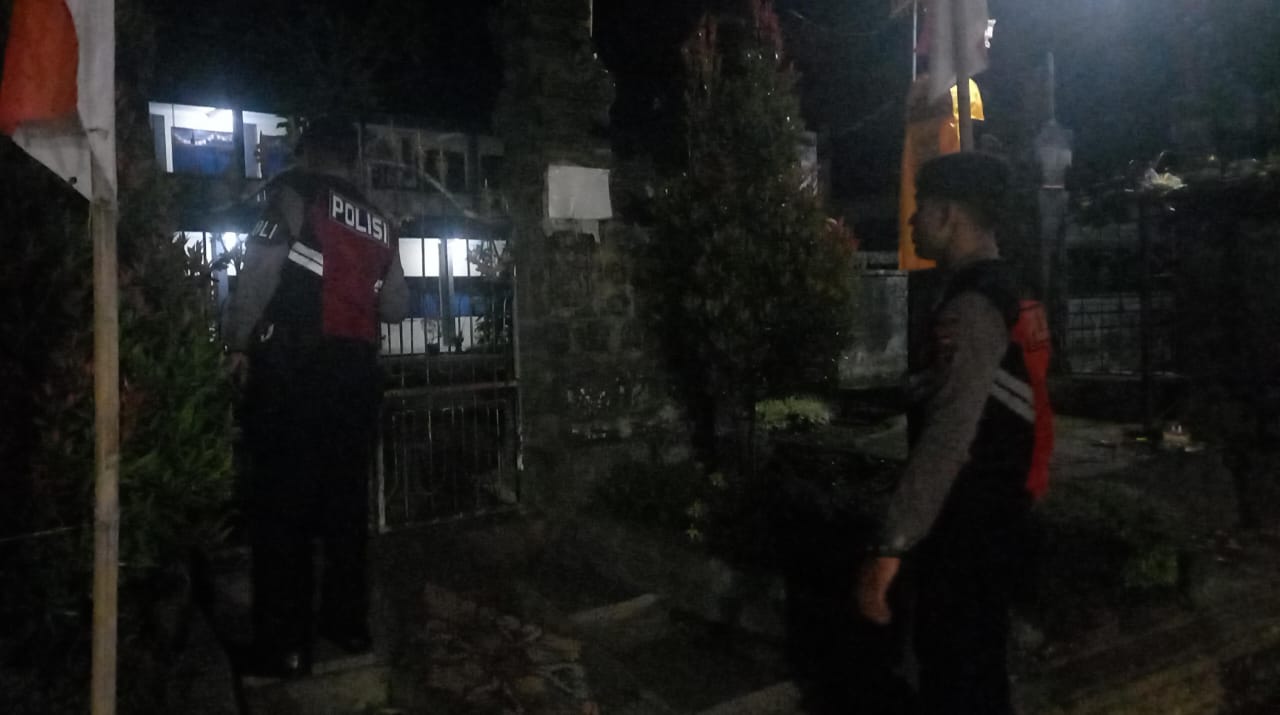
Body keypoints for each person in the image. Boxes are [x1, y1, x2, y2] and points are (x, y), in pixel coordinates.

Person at [223, 116, 408, 678]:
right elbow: (397, 307)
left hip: (294, 375)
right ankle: (347, 626)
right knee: (346, 509)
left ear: (308, 154)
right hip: (356, 379)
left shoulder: (292, 196)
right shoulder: (380, 222)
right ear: (352, 160)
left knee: (283, 510)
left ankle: (285, 646)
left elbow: (258, 274)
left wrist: (237, 343)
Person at [855, 152, 1036, 714]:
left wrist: (891, 545)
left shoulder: (973, 303)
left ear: (948, 214)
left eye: (920, 208)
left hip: (966, 526)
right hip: (1001, 513)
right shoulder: (1012, 289)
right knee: (979, 672)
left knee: (958, 677)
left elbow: (950, 435)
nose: (910, 220)